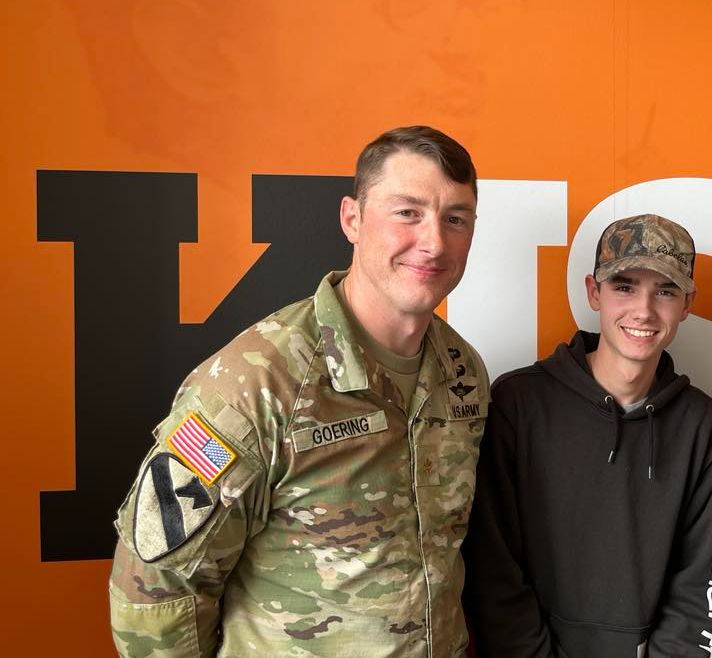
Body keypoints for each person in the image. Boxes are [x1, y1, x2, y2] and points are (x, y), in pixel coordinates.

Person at [108, 126, 490, 657]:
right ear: (352, 219)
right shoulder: (259, 380)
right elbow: (155, 590)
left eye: (456, 219)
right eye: (408, 212)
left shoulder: (462, 371)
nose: (433, 242)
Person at [463, 214, 712, 657]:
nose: (643, 310)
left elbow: (703, 579)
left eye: (665, 290)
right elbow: (492, 565)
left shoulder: (701, 424)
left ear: (686, 304)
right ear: (594, 292)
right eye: (624, 286)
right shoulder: (519, 403)